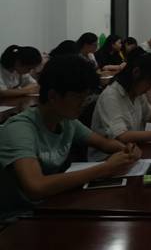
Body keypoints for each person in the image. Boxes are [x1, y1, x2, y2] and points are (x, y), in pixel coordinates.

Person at [0, 55, 141, 220]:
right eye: (78, 97)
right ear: (53, 96)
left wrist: (127, 150)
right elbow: (36, 187)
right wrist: (105, 168)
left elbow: (104, 143)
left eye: (86, 96)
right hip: (18, 219)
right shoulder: (19, 129)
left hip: (52, 206)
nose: (83, 103)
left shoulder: (67, 121)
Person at [89, 52, 151, 161]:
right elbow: (122, 136)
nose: (150, 88)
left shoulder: (137, 92)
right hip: (107, 159)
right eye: (149, 82)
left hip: (133, 152)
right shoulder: (111, 96)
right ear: (136, 72)